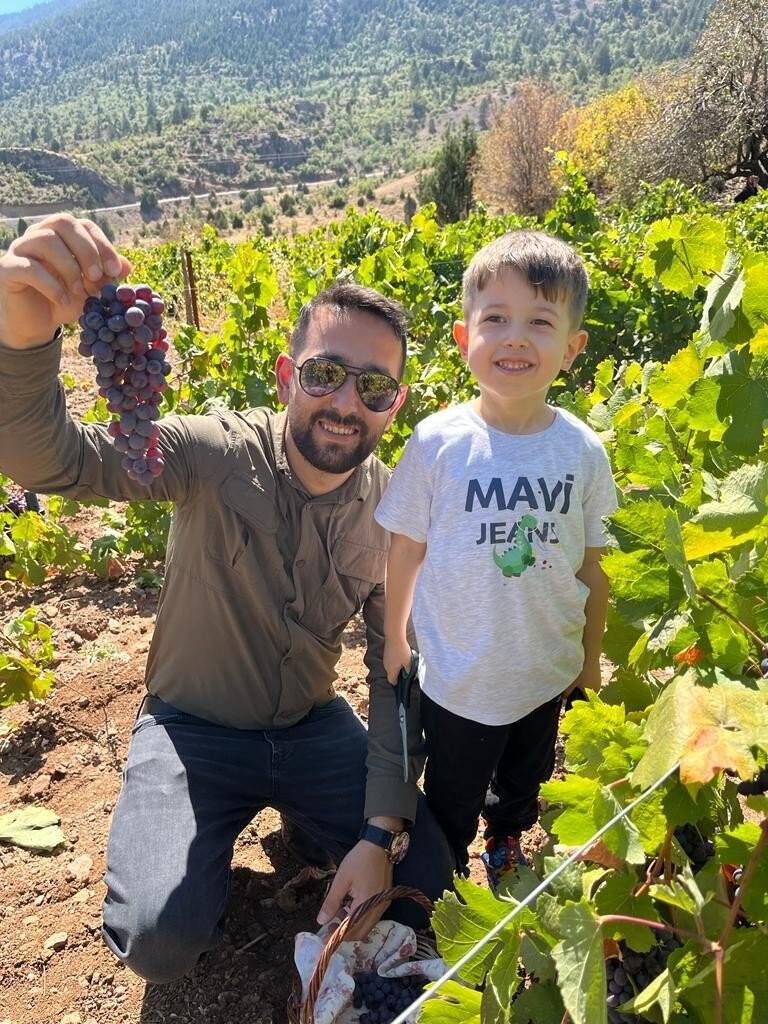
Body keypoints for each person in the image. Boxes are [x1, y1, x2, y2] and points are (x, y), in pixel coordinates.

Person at [0, 214, 453, 985]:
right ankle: (264, 843)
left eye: (372, 386)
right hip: (192, 734)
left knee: (430, 880)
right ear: (286, 377)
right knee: (159, 940)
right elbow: (57, 462)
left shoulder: (395, 518)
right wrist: (20, 331)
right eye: (325, 375)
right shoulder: (209, 454)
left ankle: (325, 835)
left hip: (312, 732)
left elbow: (393, 675)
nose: (346, 402)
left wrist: (379, 832)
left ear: (394, 404)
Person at [375, 230, 618, 888]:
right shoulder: (436, 444)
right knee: (452, 789)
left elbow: (593, 568)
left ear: (571, 350)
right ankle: (446, 863)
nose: (516, 338)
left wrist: (589, 660)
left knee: (524, 775)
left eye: (540, 322)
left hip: (546, 668)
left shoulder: (584, 452)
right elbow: (405, 549)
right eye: (496, 319)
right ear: (464, 340)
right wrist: (397, 640)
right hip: (459, 677)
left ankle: (506, 834)